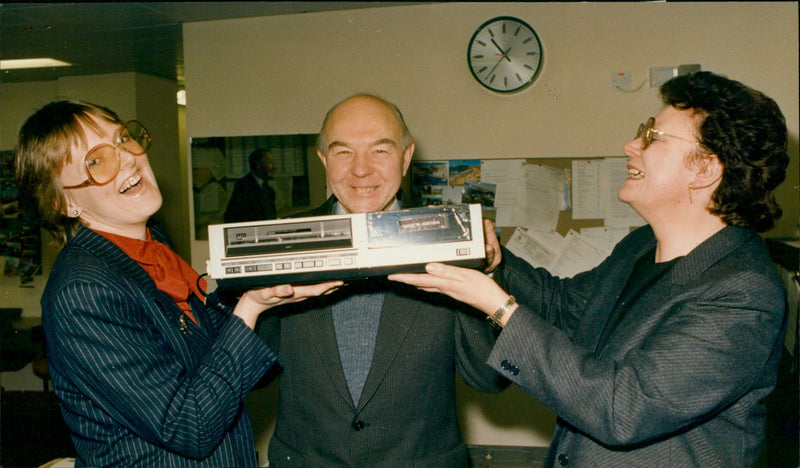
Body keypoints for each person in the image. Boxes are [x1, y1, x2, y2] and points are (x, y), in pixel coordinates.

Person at [390, 71, 789, 467]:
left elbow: (623, 408)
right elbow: (563, 306)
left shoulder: (743, 292)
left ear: (705, 169)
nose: (632, 146)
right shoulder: (641, 246)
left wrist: (500, 309)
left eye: (653, 137)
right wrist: (493, 263)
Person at [13, 99, 342, 467]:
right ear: (64, 202)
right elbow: (190, 426)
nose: (127, 158)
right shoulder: (84, 290)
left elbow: (221, 365)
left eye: (122, 139)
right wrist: (251, 306)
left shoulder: (153, 247)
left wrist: (282, 286)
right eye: (96, 161)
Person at [256, 94, 509, 467]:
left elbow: (488, 377)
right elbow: (251, 374)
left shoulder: (450, 242)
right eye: (343, 152)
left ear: (406, 158)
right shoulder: (280, 245)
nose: (361, 170)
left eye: (379, 151)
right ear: (323, 159)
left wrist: (485, 273)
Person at [224, 148, 277, 223]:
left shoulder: (266, 188)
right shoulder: (243, 187)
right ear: (258, 165)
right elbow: (232, 217)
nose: (273, 167)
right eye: (270, 163)